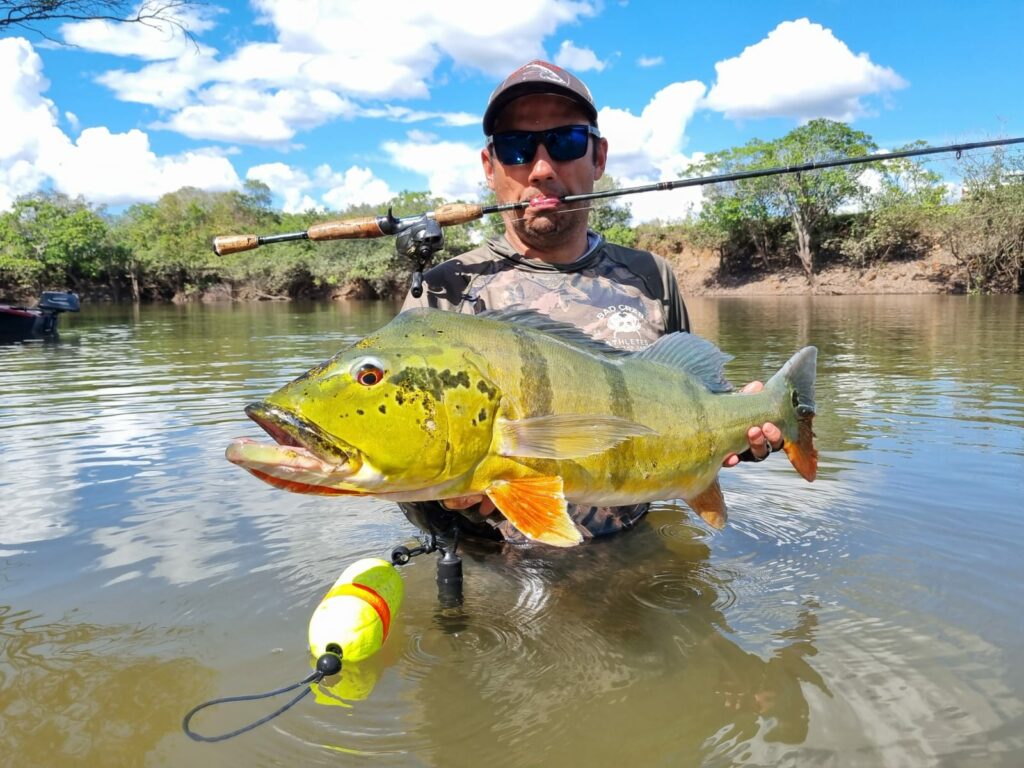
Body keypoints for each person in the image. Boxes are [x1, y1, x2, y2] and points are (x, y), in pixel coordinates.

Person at [398, 60, 782, 545]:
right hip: (495, 569)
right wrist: (451, 503)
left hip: (633, 560)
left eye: (565, 143)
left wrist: (740, 431)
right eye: (516, 148)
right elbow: (404, 472)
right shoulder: (443, 292)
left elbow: (696, 400)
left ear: (598, 157)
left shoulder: (650, 277)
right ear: (489, 168)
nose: (541, 169)